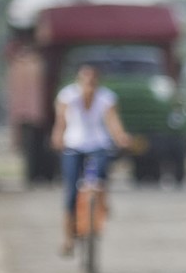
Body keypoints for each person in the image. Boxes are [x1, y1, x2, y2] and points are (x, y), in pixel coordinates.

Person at [52, 63, 131, 256]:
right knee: (71, 192)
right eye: (85, 80)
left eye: (92, 80)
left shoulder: (106, 98)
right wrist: (57, 136)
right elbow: (61, 121)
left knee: (101, 176)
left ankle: (101, 201)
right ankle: (69, 238)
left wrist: (121, 136)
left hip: (98, 144)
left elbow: (112, 121)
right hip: (74, 144)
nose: (89, 84)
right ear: (78, 80)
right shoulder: (67, 96)